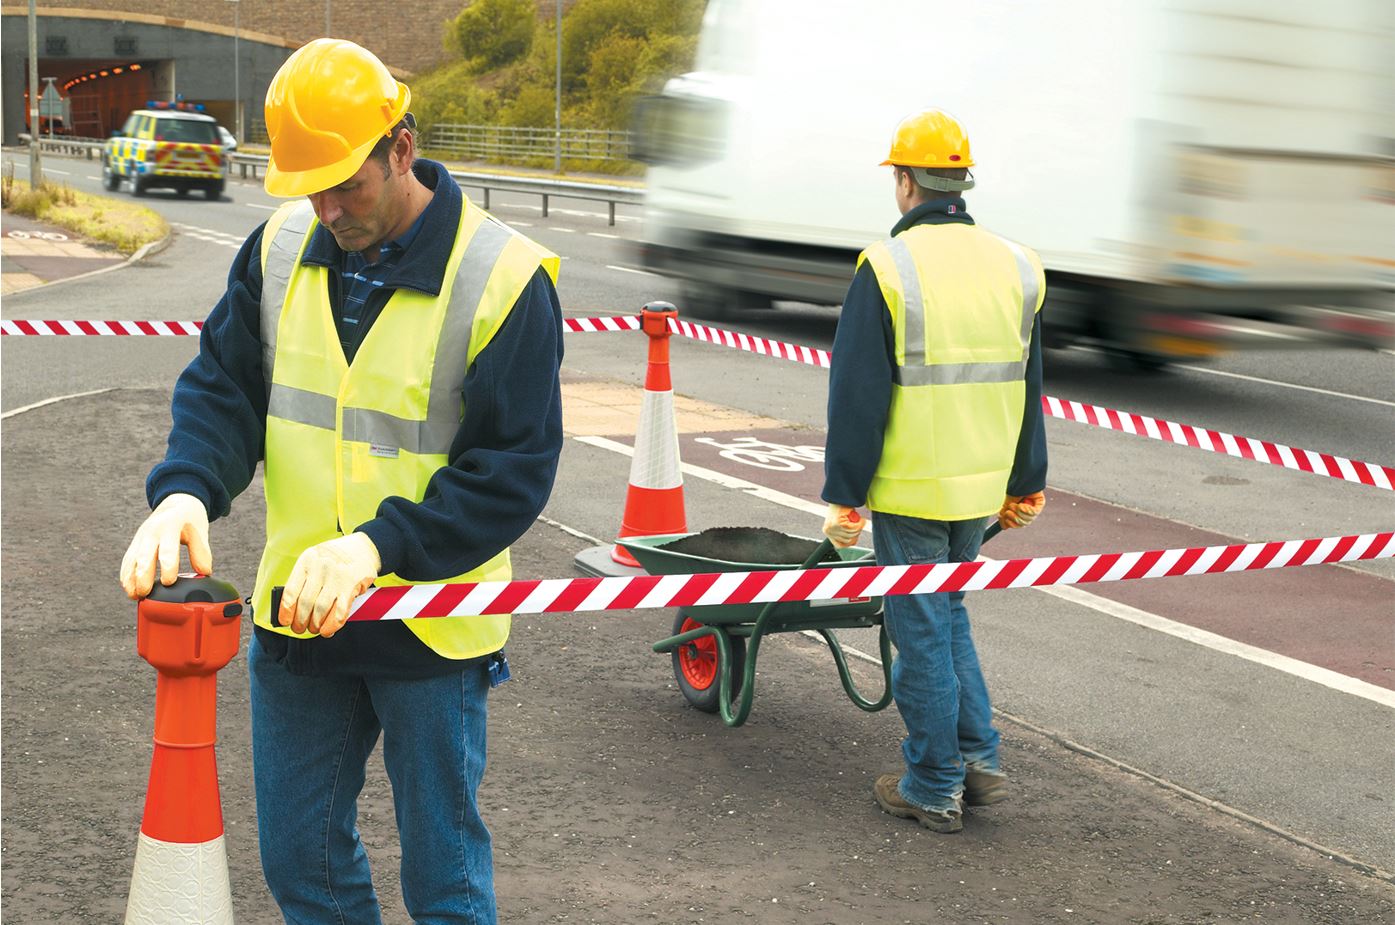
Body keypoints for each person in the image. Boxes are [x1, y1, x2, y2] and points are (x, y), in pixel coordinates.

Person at [118, 38, 563, 923]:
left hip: (430, 624)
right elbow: (225, 385)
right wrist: (185, 487)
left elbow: (511, 470)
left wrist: (377, 546)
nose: (328, 208)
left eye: (345, 184)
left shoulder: (502, 278)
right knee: (302, 866)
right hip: (300, 614)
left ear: (400, 148)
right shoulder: (282, 246)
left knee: (444, 883)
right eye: (309, 187)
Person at [820, 108, 1048, 834]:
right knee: (948, 616)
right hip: (980, 481)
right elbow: (1027, 380)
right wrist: (1025, 479)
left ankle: (933, 779)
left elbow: (857, 394)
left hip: (914, 482)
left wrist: (844, 498)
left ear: (905, 182)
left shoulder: (886, 267)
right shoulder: (1017, 264)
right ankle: (977, 759)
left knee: (917, 626)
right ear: (962, 182)